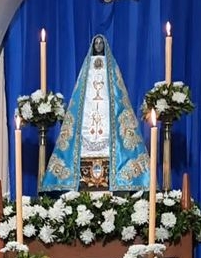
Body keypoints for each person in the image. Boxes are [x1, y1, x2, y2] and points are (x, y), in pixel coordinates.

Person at [40, 33, 150, 192]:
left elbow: (117, 98)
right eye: (96, 43)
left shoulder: (110, 71)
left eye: (100, 43)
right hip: (89, 118)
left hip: (106, 117)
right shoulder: (88, 71)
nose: (98, 45)